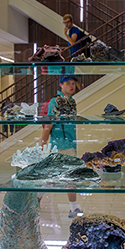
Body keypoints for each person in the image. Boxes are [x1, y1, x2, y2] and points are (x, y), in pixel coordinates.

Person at [40, 75, 82, 218]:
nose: (71, 86)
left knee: (55, 178)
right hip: (60, 145)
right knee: (63, 178)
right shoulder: (55, 102)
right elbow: (48, 125)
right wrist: (42, 145)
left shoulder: (72, 101)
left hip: (69, 144)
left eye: (73, 84)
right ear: (61, 85)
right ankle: (72, 208)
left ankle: (73, 208)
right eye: (68, 83)